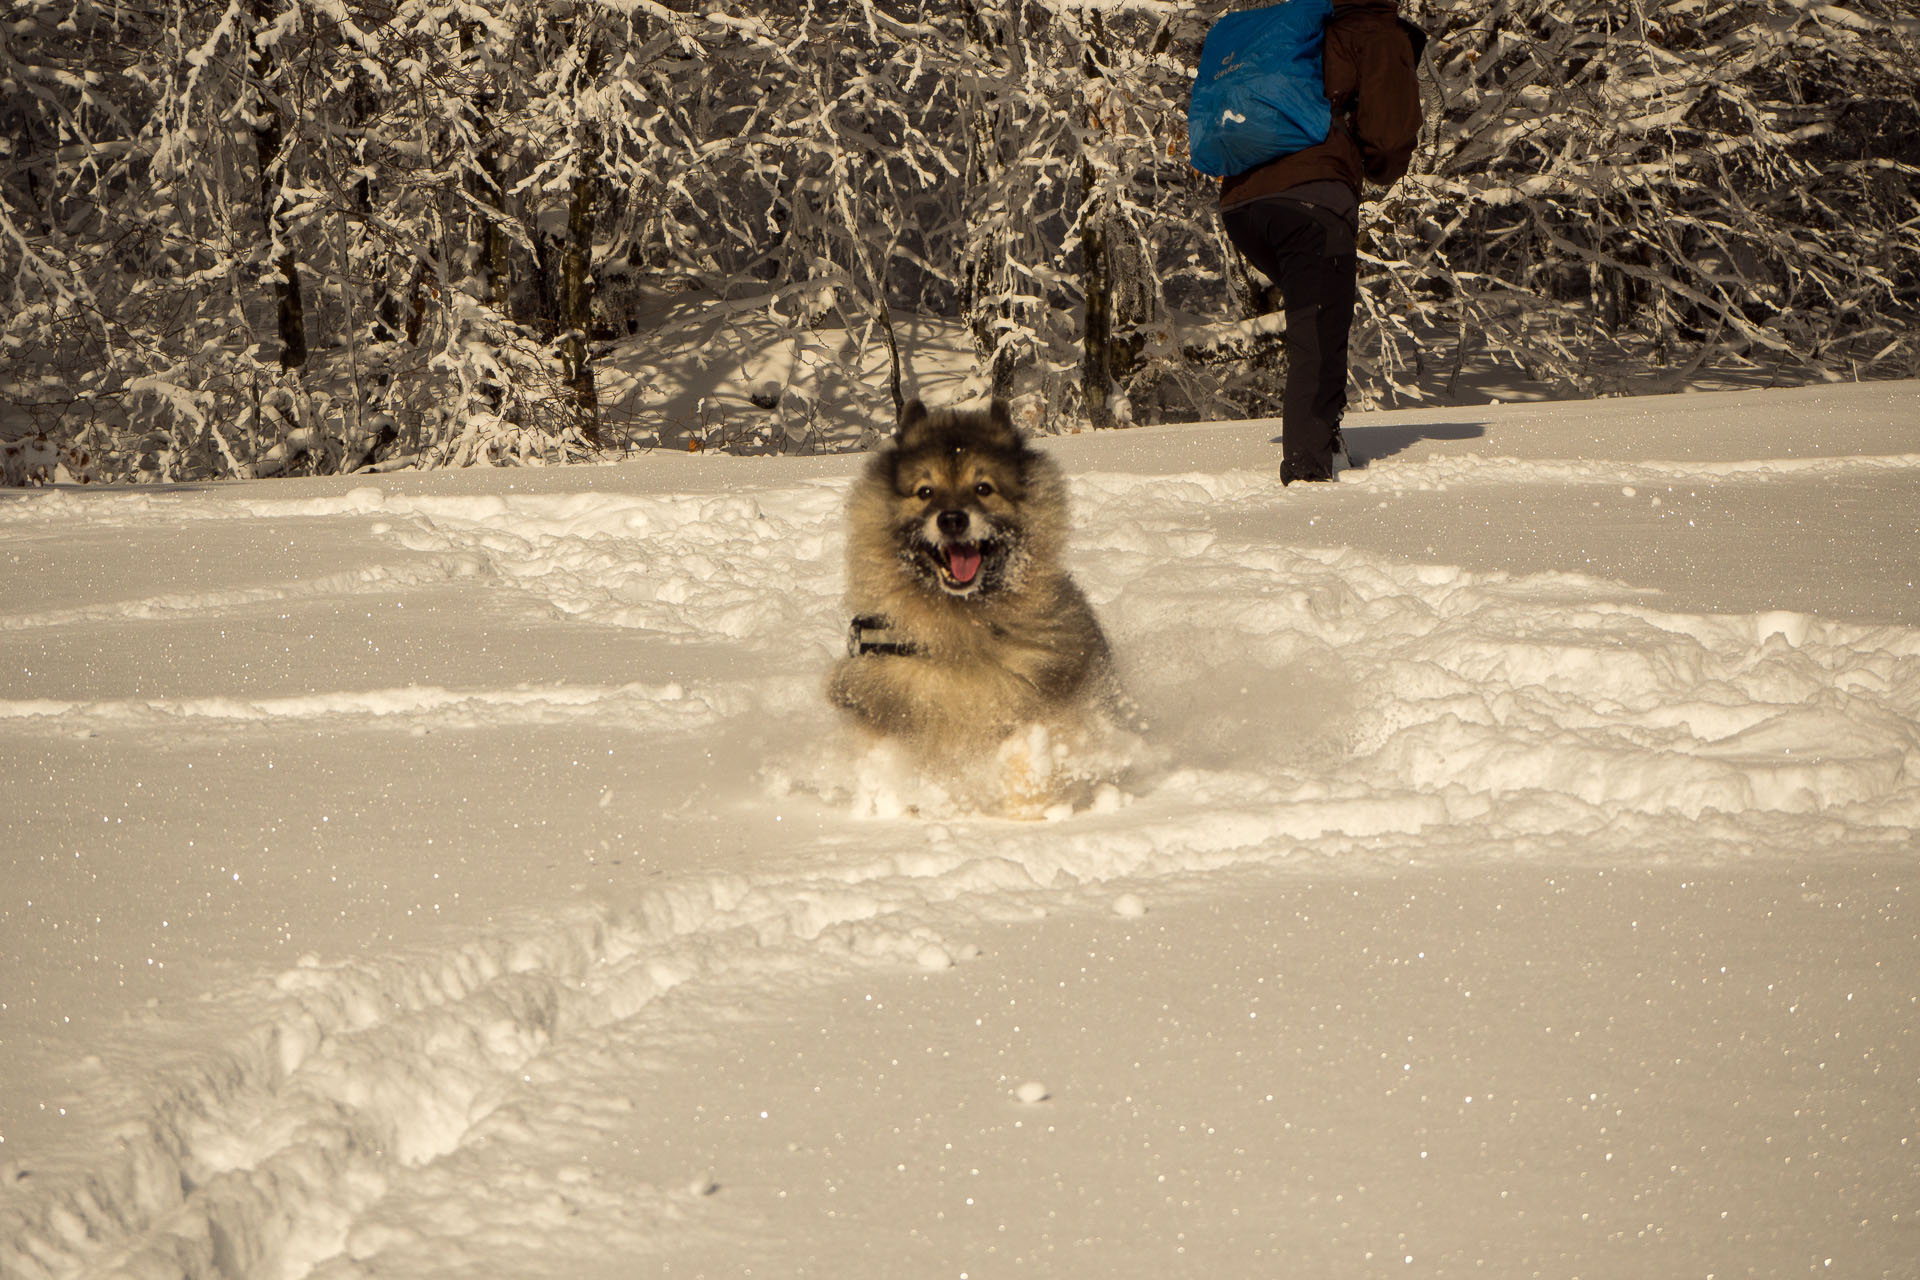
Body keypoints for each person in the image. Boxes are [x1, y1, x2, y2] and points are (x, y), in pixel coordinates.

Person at [1218, 0, 1424, 484]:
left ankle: (1326, 443)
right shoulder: (1376, 30)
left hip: (1243, 204)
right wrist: (1373, 165)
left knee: (1318, 322)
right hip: (1310, 204)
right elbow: (1390, 139)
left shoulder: (1307, 33)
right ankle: (1308, 473)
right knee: (1317, 332)